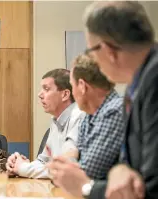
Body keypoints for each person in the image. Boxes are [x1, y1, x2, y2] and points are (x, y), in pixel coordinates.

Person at [47, 1, 158, 199]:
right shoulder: (138, 85)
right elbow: (131, 167)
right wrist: (120, 170)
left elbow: (152, 187)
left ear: (109, 51)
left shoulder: (154, 81)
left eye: (91, 51)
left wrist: (86, 187)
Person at [6, 69, 84, 179]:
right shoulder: (55, 121)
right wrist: (16, 166)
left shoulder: (80, 118)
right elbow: (43, 161)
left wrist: (23, 168)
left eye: (46, 89)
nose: (40, 94)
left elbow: (65, 169)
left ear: (65, 94)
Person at [58, 54, 124, 180]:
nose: (72, 92)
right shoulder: (89, 116)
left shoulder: (114, 111)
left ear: (82, 86)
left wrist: (64, 167)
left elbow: (88, 172)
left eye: (72, 86)